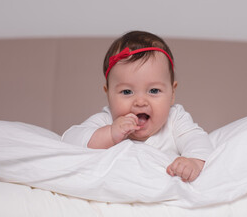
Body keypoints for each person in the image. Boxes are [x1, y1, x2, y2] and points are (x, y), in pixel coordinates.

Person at [62, 31, 213, 182]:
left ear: (172, 93)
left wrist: (193, 161)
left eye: (154, 91)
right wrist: (110, 135)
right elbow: (69, 140)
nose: (140, 102)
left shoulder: (174, 119)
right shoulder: (107, 121)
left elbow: (198, 140)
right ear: (108, 95)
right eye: (127, 92)